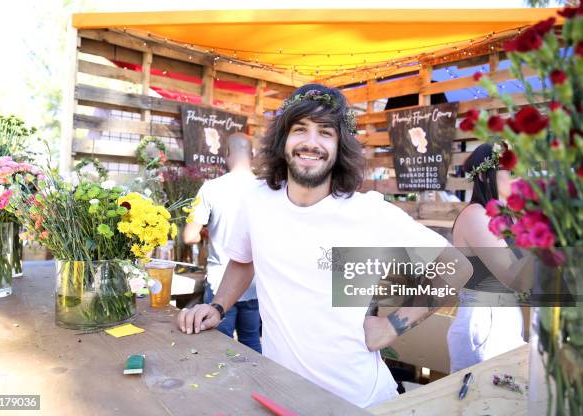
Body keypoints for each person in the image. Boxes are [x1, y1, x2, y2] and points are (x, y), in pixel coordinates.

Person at [177, 84, 473, 408]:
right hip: (283, 394)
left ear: (339, 145)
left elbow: (458, 268)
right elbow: (243, 261)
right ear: (283, 140)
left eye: (325, 132)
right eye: (300, 129)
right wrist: (218, 307)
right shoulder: (256, 202)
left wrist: (391, 325)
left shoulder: (367, 212)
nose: (311, 142)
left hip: (358, 401)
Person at [447, 143, 533, 373]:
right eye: (512, 171)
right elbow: (514, 277)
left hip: (504, 322)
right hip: (483, 327)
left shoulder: (508, 218)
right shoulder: (475, 215)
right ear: (486, 175)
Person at [182, 133, 261, 354]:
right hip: (255, 284)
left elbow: (189, 236)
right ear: (253, 154)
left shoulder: (210, 188)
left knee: (217, 347)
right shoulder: (266, 190)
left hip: (219, 284)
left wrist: (206, 234)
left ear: (226, 153)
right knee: (252, 342)